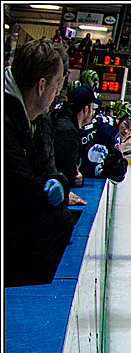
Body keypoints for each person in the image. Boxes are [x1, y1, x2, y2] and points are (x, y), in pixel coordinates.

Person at [4, 37, 75, 287]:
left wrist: (56, 183)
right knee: (57, 222)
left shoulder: (41, 119)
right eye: (57, 84)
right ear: (42, 85)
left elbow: (48, 170)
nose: (59, 92)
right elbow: (20, 192)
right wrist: (50, 188)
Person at [79, 99, 131, 182]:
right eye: (126, 125)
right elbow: (90, 170)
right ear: (119, 118)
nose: (126, 131)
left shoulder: (108, 124)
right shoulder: (109, 132)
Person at [52, 84, 102, 188]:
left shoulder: (64, 123)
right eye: (93, 108)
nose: (94, 113)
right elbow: (68, 177)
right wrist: (77, 179)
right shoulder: (67, 131)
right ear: (86, 109)